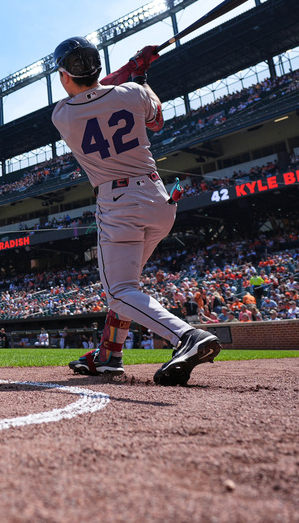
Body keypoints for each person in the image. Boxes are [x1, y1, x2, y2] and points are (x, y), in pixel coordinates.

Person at [50, 37, 221, 385]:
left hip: (119, 205)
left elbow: (93, 95)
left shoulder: (62, 115)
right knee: (127, 288)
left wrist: (130, 71)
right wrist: (140, 77)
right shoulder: (133, 93)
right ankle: (109, 355)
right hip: (159, 199)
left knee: (119, 290)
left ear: (65, 75)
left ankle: (186, 336)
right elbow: (155, 119)